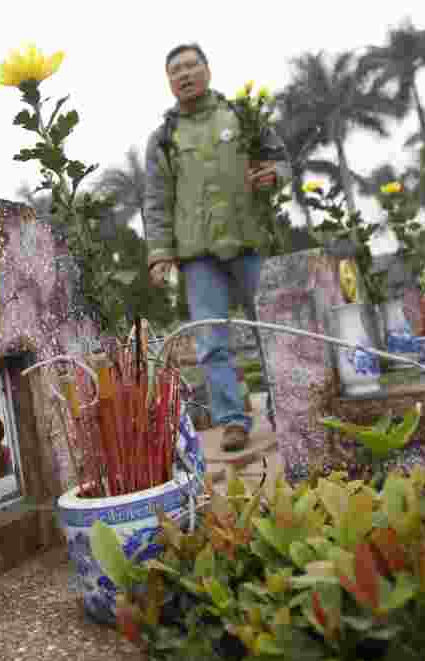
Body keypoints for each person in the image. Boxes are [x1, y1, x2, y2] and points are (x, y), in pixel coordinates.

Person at [143, 43, 290, 452]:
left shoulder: (243, 117)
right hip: (198, 256)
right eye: (176, 70)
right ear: (169, 82)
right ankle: (231, 420)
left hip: (251, 244)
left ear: (208, 69)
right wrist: (159, 254)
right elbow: (156, 201)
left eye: (192, 65)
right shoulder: (164, 139)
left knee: (272, 332)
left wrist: (274, 175)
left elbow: (282, 161)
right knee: (211, 344)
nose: (185, 74)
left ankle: (287, 408)